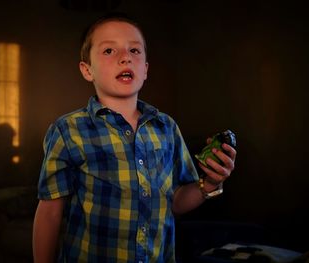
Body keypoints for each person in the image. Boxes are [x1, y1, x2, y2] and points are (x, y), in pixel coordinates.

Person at [32, 13, 237, 263]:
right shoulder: (69, 130)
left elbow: (175, 202)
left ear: (145, 70)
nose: (125, 57)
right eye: (109, 50)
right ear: (87, 70)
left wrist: (211, 183)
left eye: (135, 51)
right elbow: (50, 213)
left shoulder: (166, 127)